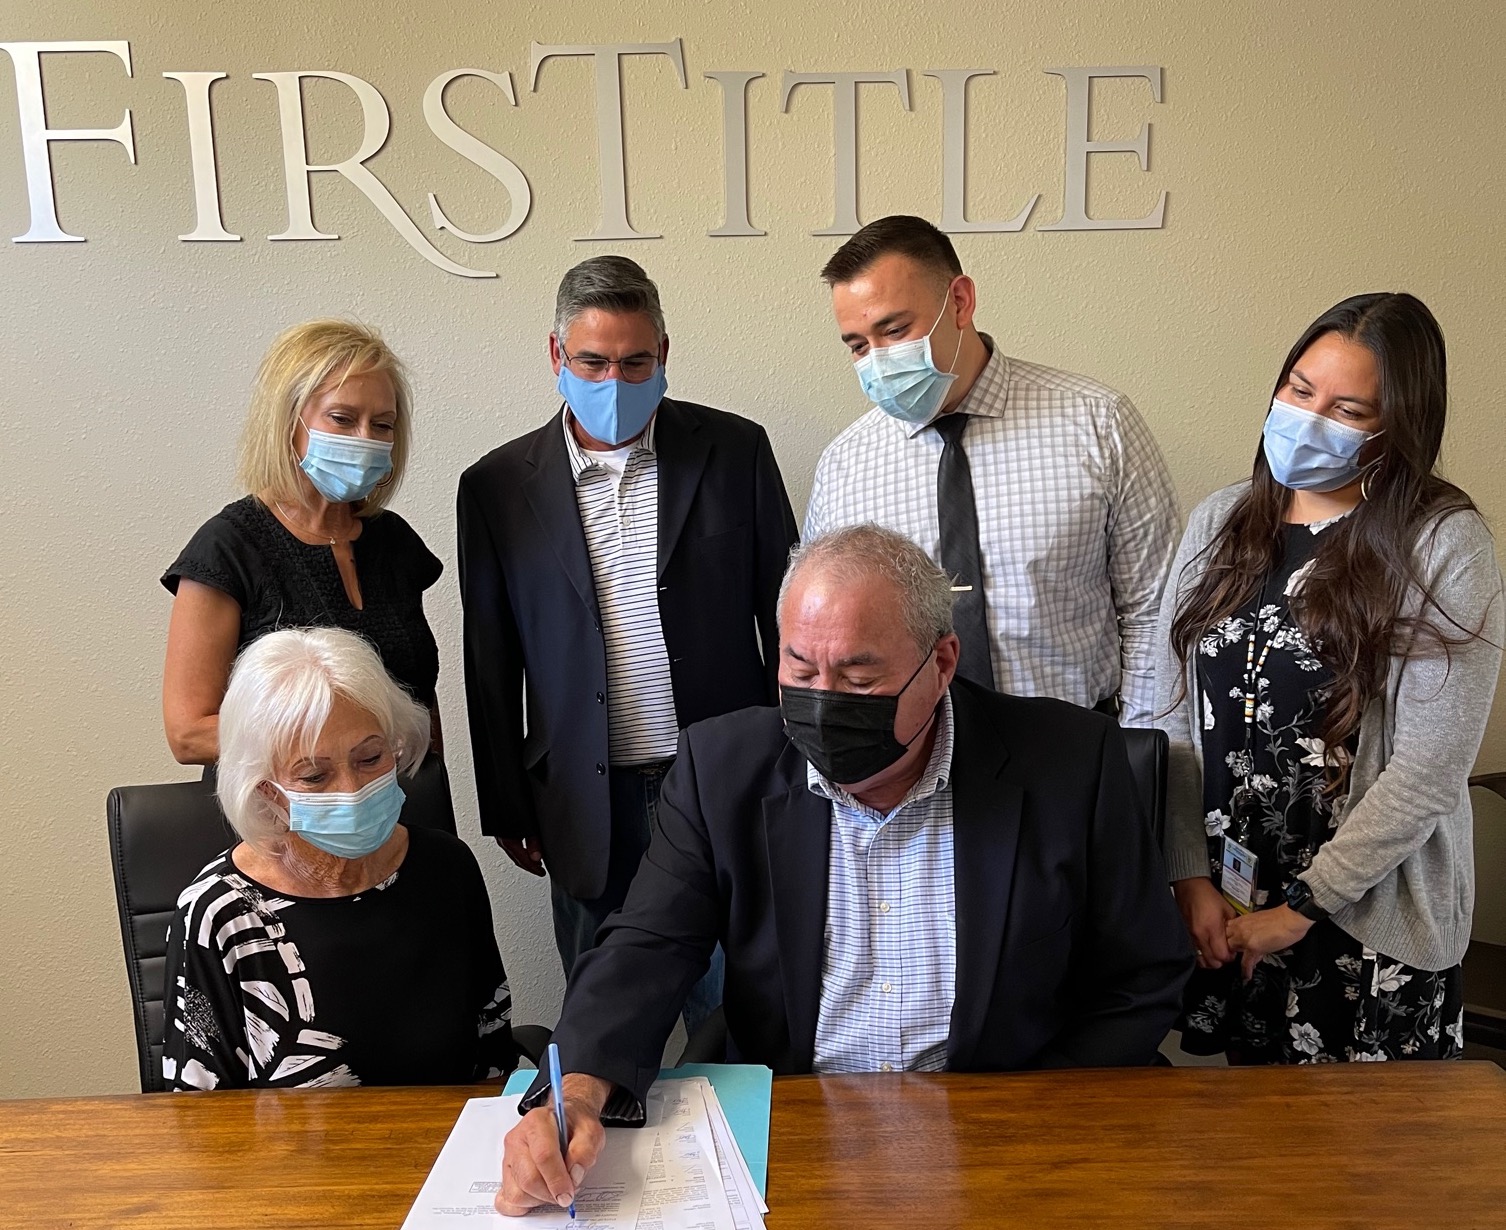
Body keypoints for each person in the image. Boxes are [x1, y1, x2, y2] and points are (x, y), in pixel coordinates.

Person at [494, 524, 1192, 1215]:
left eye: (859, 677)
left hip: (1005, 1133)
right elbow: (646, 944)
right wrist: (579, 1087)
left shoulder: (1073, 764)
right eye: (800, 671)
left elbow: (1142, 975)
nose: (823, 701)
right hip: (796, 1130)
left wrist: (1023, 1118)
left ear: (942, 662)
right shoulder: (722, 768)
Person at [1155, 292, 1503, 1064]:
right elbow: (1165, 713)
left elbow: (1430, 767)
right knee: (1245, 1153)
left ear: (1398, 427)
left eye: (1348, 409)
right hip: (1228, 904)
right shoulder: (1220, 521)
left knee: (1365, 1169)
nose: (1308, 418)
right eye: (1300, 390)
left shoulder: (1442, 542)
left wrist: (1302, 907)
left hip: (1366, 918)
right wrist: (1188, 875)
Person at [458, 255, 798, 1033]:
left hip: (718, 782)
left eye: (636, 361)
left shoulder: (736, 451)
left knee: (739, 1016)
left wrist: (798, 764)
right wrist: (507, 800)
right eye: (594, 361)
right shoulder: (498, 485)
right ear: (556, 357)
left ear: (664, 353)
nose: (616, 379)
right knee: (606, 1024)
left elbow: (787, 622)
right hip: (582, 797)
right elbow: (489, 656)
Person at [805, 215, 1177, 724]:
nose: (878, 361)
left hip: (1072, 747)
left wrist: (1141, 751)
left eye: (894, 329)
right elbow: (828, 635)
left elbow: (1153, 611)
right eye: (858, 345)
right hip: (910, 760)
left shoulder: (1097, 422)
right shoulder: (845, 464)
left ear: (959, 302)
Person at [161, 628, 517, 1090]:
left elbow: (492, 1056)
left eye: (370, 758)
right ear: (267, 790)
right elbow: (196, 1117)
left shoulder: (447, 868)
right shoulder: (220, 913)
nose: (351, 791)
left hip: (447, 1151)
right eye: (314, 775)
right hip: (292, 1162)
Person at [162, 320, 445, 772]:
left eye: (383, 424)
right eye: (342, 419)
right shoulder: (228, 549)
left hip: (402, 808)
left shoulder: (395, 543)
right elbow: (189, 733)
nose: (365, 439)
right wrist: (344, 750)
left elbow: (418, 701)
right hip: (279, 821)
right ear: (288, 420)